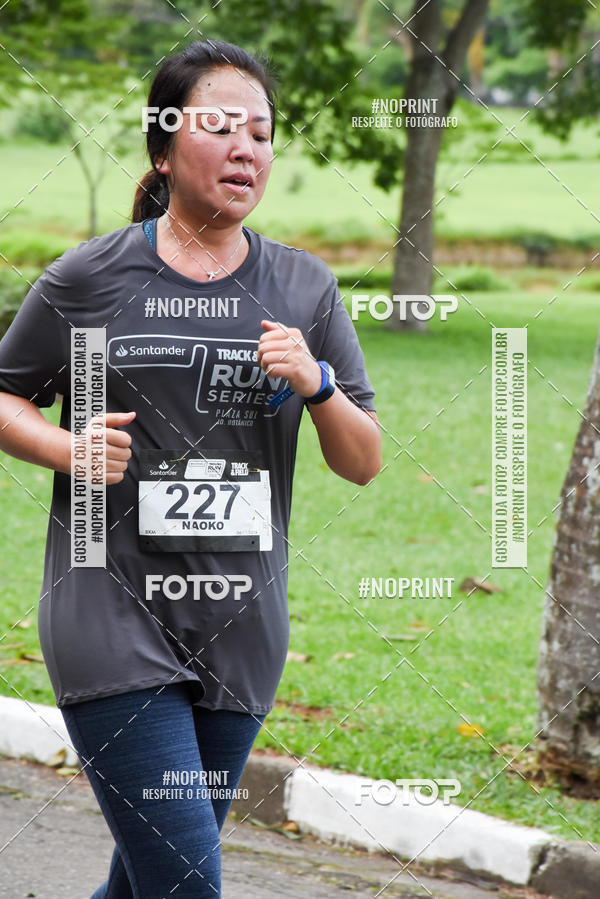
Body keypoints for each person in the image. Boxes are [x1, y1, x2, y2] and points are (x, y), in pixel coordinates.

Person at [0, 39, 381, 898]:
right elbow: (4, 393)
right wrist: (68, 446)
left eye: (264, 132)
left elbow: (364, 461)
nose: (248, 147)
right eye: (222, 127)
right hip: (107, 613)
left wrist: (317, 384)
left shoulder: (303, 288)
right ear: (165, 148)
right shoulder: (89, 278)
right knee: (183, 883)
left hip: (241, 626)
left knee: (144, 885)